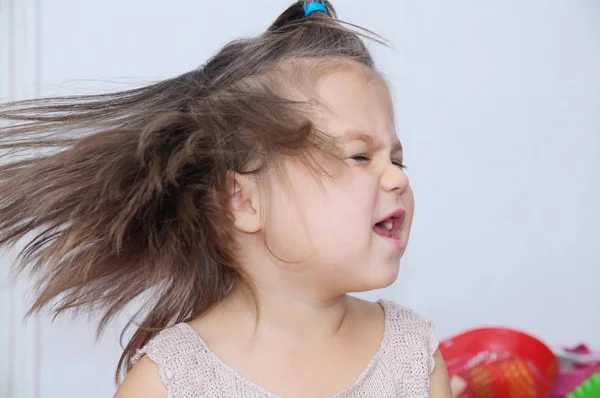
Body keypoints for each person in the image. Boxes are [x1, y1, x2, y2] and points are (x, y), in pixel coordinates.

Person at [0, 1, 455, 397]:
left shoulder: (411, 354)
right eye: (360, 156)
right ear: (244, 200)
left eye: (398, 159)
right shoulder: (172, 380)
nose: (395, 178)